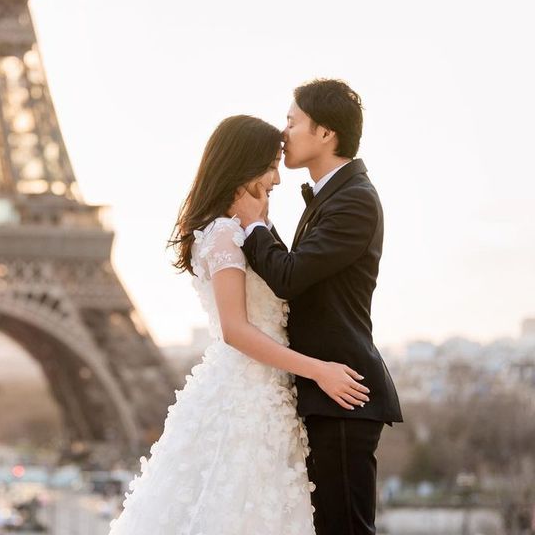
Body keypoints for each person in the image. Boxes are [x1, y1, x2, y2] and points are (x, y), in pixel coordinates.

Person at [107, 114, 370, 535]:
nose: (277, 179)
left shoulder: (244, 230)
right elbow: (236, 330)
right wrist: (319, 370)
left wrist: (258, 224)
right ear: (243, 166)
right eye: (270, 166)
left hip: (265, 395)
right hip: (248, 397)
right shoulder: (226, 233)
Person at [229, 79, 403, 535]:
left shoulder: (354, 201)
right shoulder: (332, 195)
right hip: (324, 388)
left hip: (342, 390)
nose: (282, 132)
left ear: (325, 133)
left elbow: (288, 279)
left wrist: (252, 226)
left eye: (292, 121)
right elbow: (301, 276)